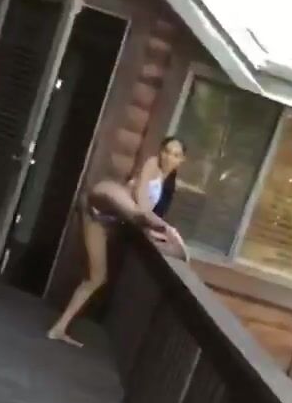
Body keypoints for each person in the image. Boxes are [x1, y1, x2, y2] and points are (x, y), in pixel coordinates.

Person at [48, 136, 188, 346]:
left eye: (175, 155)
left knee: (97, 278)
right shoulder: (152, 164)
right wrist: (163, 230)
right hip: (105, 197)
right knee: (137, 213)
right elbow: (141, 205)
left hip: (100, 221)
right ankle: (169, 232)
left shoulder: (169, 186)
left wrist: (154, 231)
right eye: (166, 151)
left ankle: (58, 328)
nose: (168, 157)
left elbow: (144, 216)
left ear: (181, 160)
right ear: (160, 151)